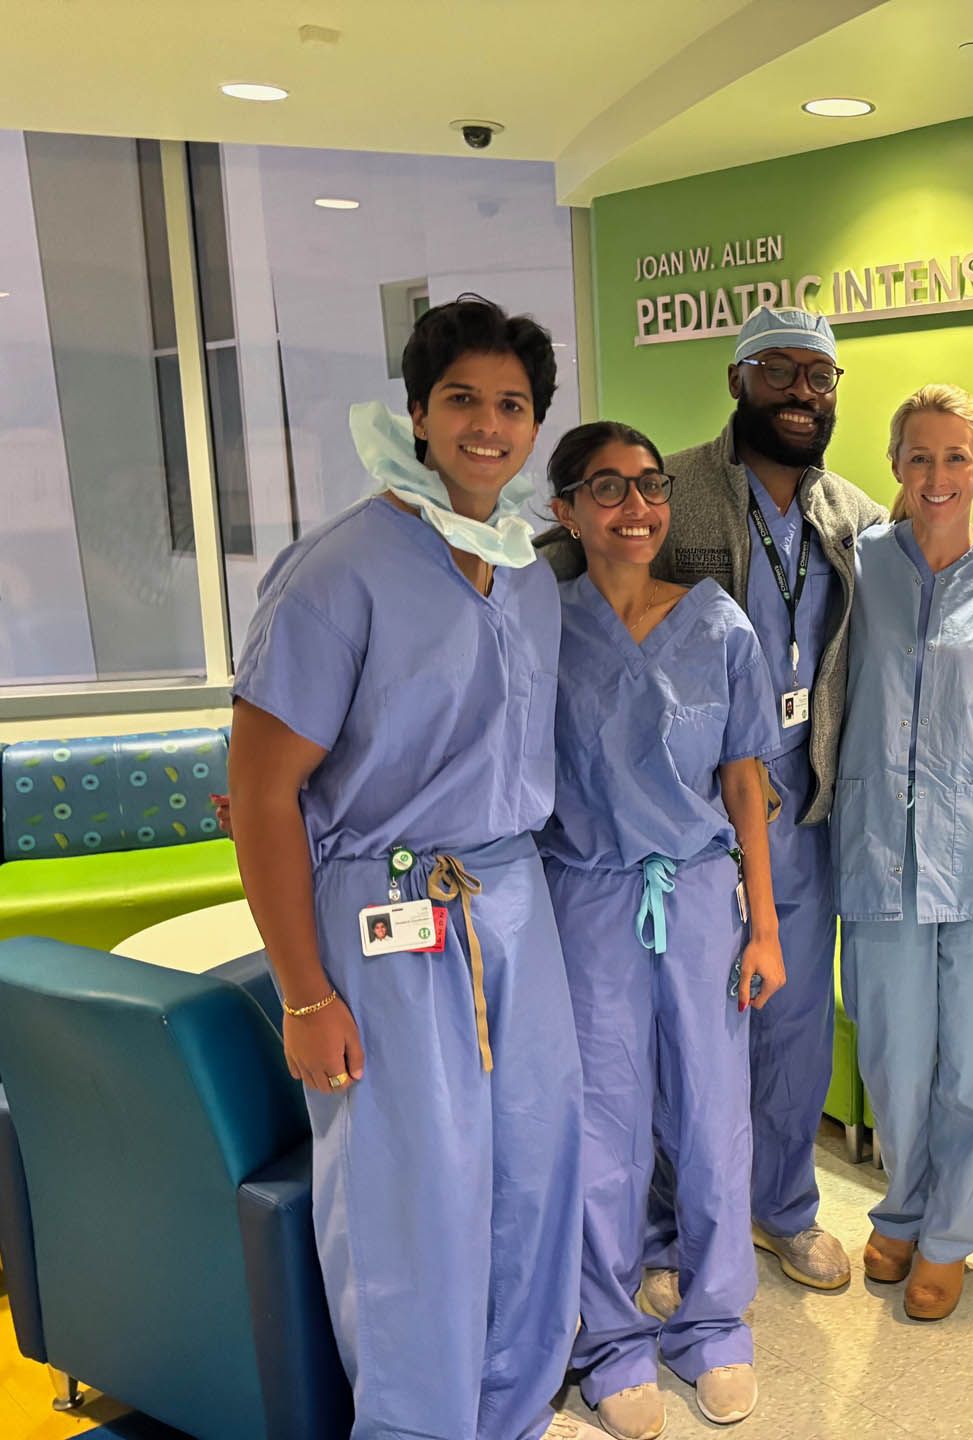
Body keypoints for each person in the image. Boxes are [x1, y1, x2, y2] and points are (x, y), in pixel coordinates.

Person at [226, 295, 583, 1440]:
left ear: (536, 428)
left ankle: (513, 1410)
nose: (488, 425)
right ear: (419, 415)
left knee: (535, 1172)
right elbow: (263, 797)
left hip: (511, 901)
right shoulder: (340, 570)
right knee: (407, 1201)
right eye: (463, 400)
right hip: (385, 917)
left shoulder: (527, 569)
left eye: (512, 405)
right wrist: (304, 994)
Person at [541, 306, 884, 1299]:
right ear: (737, 381)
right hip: (675, 812)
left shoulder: (850, 516)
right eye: (779, 371)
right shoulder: (667, 490)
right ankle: (662, 1227)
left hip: (793, 809)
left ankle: (782, 1208)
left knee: (789, 1028)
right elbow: (561, 571)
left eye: (821, 377)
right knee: (657, 1043)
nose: (802, 393)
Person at [539, 421, 785, 1436]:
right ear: (563, 510)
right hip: (587, 897)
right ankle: (608, 1337)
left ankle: (714, 1320)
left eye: (649, 487)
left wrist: (763, 927)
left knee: (713, 1114)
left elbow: (745, 782)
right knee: (600, 1121)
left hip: (694, 898)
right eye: (608, 488)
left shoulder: (720, 624)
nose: (637, 507)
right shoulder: (541, 629)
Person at [835, 384, 973, 1321]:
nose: (939, 475)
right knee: (894, 1057)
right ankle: (903, 1207)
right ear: (897, 467)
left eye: (957, 457)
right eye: (920, 456)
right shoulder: (858, 562)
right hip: (878, 847)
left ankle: (951, 1235)